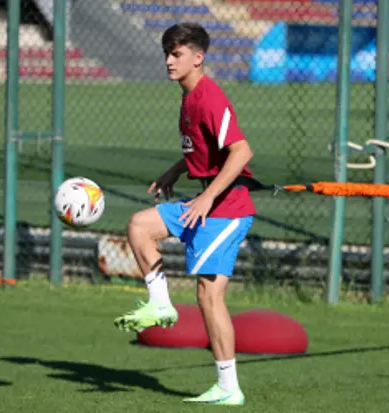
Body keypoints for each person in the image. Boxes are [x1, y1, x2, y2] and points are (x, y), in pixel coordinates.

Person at [113, 22, 256, 405]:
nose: (168, 61)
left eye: (176, 54)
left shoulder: (210, 97)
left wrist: (207, 197)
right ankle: (160, 302)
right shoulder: (188, 97)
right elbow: (203, 148)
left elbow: (241, 152)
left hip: (226, 211)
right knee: (140, 226)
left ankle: (229, 388)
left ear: (198, 57)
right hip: (204, 204)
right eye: (166, 53)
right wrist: (176, 171)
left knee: (209, 297)